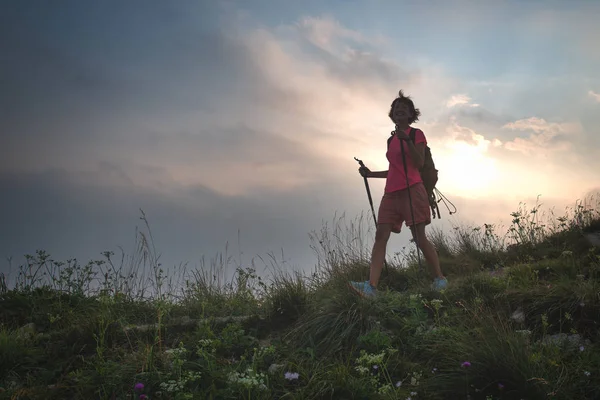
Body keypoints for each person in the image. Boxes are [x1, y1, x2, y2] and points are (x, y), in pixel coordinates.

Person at [349, 90, 447, 297]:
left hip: (413, 190)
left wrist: (408, 141)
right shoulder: (390, 140)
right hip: (391, 194)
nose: (399, 110)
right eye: (396, 108)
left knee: (419, 237)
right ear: (392, 115)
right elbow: (394, 169)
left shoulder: (416, 134)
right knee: (380, 236)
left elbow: (418, 163)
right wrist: (370, 174)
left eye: (404, 108)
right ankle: (371, 287)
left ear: (411, 114)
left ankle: (440, 278)